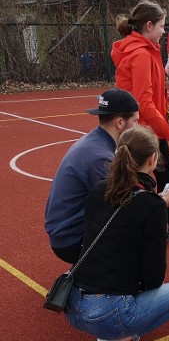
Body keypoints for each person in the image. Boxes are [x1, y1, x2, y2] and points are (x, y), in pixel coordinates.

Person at [65, 127, 169, 341]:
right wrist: (159, 205)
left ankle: (111, 332)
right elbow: (155, 276)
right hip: (106, 314)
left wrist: (156, 200)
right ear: (153, 159)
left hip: (72, 305)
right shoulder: (152, 207)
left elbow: (125, 208)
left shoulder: (100, 188)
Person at [111, 0, 169, 242]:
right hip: (141, 128)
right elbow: (143, 102)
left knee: (157, 174)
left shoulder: (146, 49)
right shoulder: (141, 54)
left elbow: (150, 93)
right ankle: (155, 228)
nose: (164, 31)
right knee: (147, 176)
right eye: (162, 26)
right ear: (149, 25)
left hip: (144, 125)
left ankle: (168, 226)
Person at [45, 88, 141, 263]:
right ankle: (96, 283)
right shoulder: (100, 158)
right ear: (120, 123)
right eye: (135, 121)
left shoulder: (94, 141)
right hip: (72, 240)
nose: (137, 127)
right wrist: (162, 202)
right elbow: (121, 206)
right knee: (137, 230)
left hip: (64, 231)